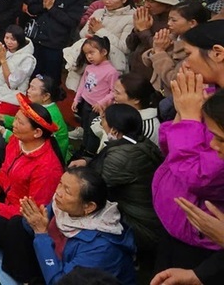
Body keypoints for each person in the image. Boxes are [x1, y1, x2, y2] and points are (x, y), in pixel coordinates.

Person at [150, 20, 224, 285]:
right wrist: (183, 117)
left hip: (201, 239)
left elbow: (203, 177)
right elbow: (169, 147)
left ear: (217, 53)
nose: (186, 65)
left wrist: (191, 119)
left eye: (189, 54)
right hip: (176, 221)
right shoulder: (204, 94)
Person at [71, 104, 164, 258]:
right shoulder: (139, 142)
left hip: (139, 226)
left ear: (114, 130)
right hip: (150, 216)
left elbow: (97, 188)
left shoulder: (121, 157)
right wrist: (87, 162)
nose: (101, 122)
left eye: (103, 120)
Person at [19, 167, 138, 285]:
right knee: (15, 226)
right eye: (60, 183)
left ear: (89, 206)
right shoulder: (66, 207)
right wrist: (34, 218)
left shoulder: (102, 247)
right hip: (57, 266)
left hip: (67, 279)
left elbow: (62, 283)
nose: (58, 192)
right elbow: (31, 228)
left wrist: (41, 233)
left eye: (67, 191)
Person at [0, 75, 70, 168]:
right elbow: (23, 124)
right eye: (29, 87)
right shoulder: (41, 107)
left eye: (33, 88)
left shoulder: (46, 116)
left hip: (39, 162)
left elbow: (28, 142)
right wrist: (1, 117)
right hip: (32, 148)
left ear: (46, 96)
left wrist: (0, 129)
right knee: (2, 128)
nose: (28, 91)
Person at [143, 0, 210, 120]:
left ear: (192, 23)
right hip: (156, 92)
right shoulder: (172, 37)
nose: (169, 23)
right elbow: (146, 60)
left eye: (174, 20)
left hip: (173, 101)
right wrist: (156, 50)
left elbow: (173, 79)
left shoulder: (198, 48)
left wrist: (159, 53)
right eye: (169, 19)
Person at [64, 0, 135, 93]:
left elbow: (125, 47)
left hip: (110, 67)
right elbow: (82, 34)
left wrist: (100, 30)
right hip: (87, 61)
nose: (106, 1)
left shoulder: (131, 18)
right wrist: (91, 32)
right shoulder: (99, 12)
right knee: (80, 96)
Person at [28, 0, 87, 89]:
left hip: (55, 44)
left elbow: (72, 21)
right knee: (32, 77)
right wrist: (43, 6)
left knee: (50, 81)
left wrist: (52, 8)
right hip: (37, 39)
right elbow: (32, 9)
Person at [71, 36, 119, 154]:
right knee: (85, 127)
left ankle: (90, 153)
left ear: (104, 52)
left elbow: (114, 91)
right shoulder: (89, 67)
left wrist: (101, 103)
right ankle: (84, 147)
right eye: (86, 54)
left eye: (92, 52)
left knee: (93, 131)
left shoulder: (111, 71)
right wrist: (77, 99)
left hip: (98, 108)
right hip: (86, 103)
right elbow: (83, 83)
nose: (89, 56)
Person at [126, 0, 179, 79]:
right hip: (136, 72)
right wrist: (136, 29)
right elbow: (130, 45)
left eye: (151, 1)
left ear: (166, 3)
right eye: (145, 0)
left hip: (156, 78)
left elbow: (159, 48)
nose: (146, 5)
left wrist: (143, 31)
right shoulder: (147, 16)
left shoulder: (173, 23)